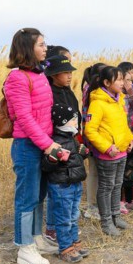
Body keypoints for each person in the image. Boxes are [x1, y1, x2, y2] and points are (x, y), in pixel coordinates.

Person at [5, 28, 58, 264]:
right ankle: (24, 247)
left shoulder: (39, 74)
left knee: (39, 196)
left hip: (42, 144)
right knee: (26, 199)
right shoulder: (17, 78)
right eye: (40, 44)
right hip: (28, 146)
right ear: (27, 48)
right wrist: (48, 145)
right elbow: (24, 118)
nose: (45, 48)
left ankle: (36, 238)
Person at [84, 66, 133, 237]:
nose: (123, 83)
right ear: (107, 83)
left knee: (117, 185)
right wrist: (107, 147)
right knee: (106, 187)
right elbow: (90, 130)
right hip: (108, 154)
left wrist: (130, 140)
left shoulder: (119, 100)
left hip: (121, 152)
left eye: (123, 79)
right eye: (119, 80)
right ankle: (106, 221)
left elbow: (123, 125)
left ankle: (115, 216)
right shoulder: (98, 103)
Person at [41, 104, 89, 263]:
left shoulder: (72, 139)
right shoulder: (53, 142)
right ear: (62, 122)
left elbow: (75, 160)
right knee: (64, 218)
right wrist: (53, 158)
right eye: (73, 120)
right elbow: (46, 166)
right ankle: (65, 248)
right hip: (62, 186)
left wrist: (83, 153)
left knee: (74, 216)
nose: (76, 123)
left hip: (75, 184)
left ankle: (74, 242)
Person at [43, 54, 79, 246]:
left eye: (70, 72)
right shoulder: (49, 92)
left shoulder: (68, 91)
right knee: (56, 190)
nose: (69, 75)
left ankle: (63, 228)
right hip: (55, 144)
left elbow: (76, 113)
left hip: (70, 141)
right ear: (53, 74)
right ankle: (52, 229)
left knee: (69, 189)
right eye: (64, 72)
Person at [80, 62, 106, 221]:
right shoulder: (92, 91)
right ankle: (92, 206)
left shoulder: (90, 88)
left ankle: (96, 204)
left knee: (96, 172)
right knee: (95, 172)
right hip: (94, 136)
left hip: (94, 135)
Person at [118, 62, 133, 214]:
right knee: (120, 171)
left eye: (129, 80)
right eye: (125, 80)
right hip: (121, 139)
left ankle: (129, 200)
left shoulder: (132, 95)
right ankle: (119, 201)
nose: (128, 83)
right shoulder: (118, 97)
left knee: (131, 168)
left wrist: (132, 93)